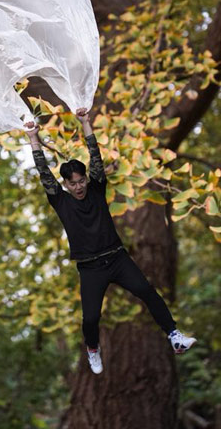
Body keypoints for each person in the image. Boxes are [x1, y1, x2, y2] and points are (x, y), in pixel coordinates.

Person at [24, 107, 196, 374]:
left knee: (147, 291)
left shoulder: (96, 189)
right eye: (74, 184)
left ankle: (174, 335)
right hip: (90, 267)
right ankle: (93, 349)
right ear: (66, 185)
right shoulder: (60, 201)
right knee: (91, 317)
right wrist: (34, 139)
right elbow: (43, 171)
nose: (79, 187)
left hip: (117, 258)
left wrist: (85, 122)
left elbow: (96, 157)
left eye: (81, 181)